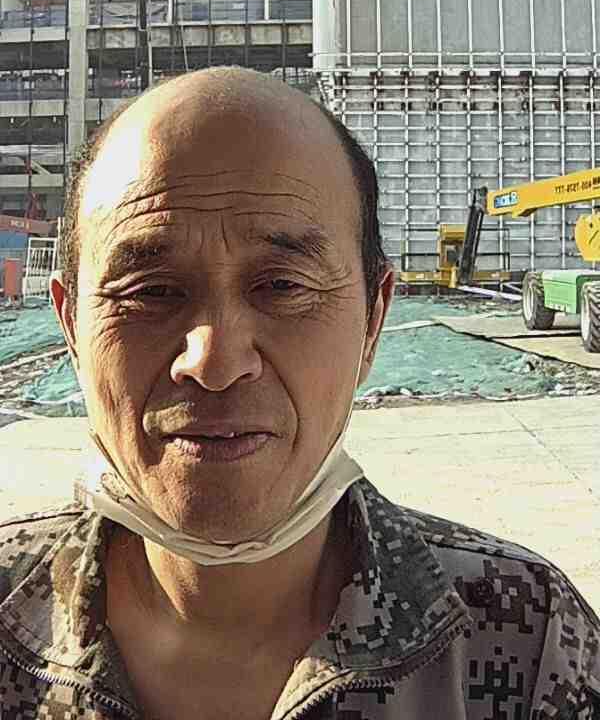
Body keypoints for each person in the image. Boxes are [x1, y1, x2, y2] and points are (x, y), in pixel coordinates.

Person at [0, 66, 598, 720]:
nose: (215, 363)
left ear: (372, 321)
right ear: (72, 327)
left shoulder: (532, 639)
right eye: (152, 291)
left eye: (282, 286)